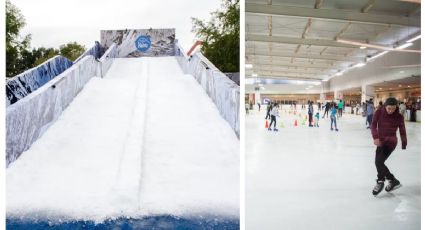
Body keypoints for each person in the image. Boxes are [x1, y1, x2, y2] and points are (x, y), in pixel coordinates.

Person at [371, 97, 407, 196]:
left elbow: (402, 131)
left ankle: (381, 181)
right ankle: (392, 180)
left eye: (393, 108)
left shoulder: (399, 117)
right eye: (389, 108)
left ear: (396, 107)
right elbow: (373, 125)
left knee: (379, 162)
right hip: (380, 141)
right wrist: (375, 137)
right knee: (378, 162)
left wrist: (404, 143)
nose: (391, 111)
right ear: (385, 106)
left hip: (391, 142)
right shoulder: (379, 112)